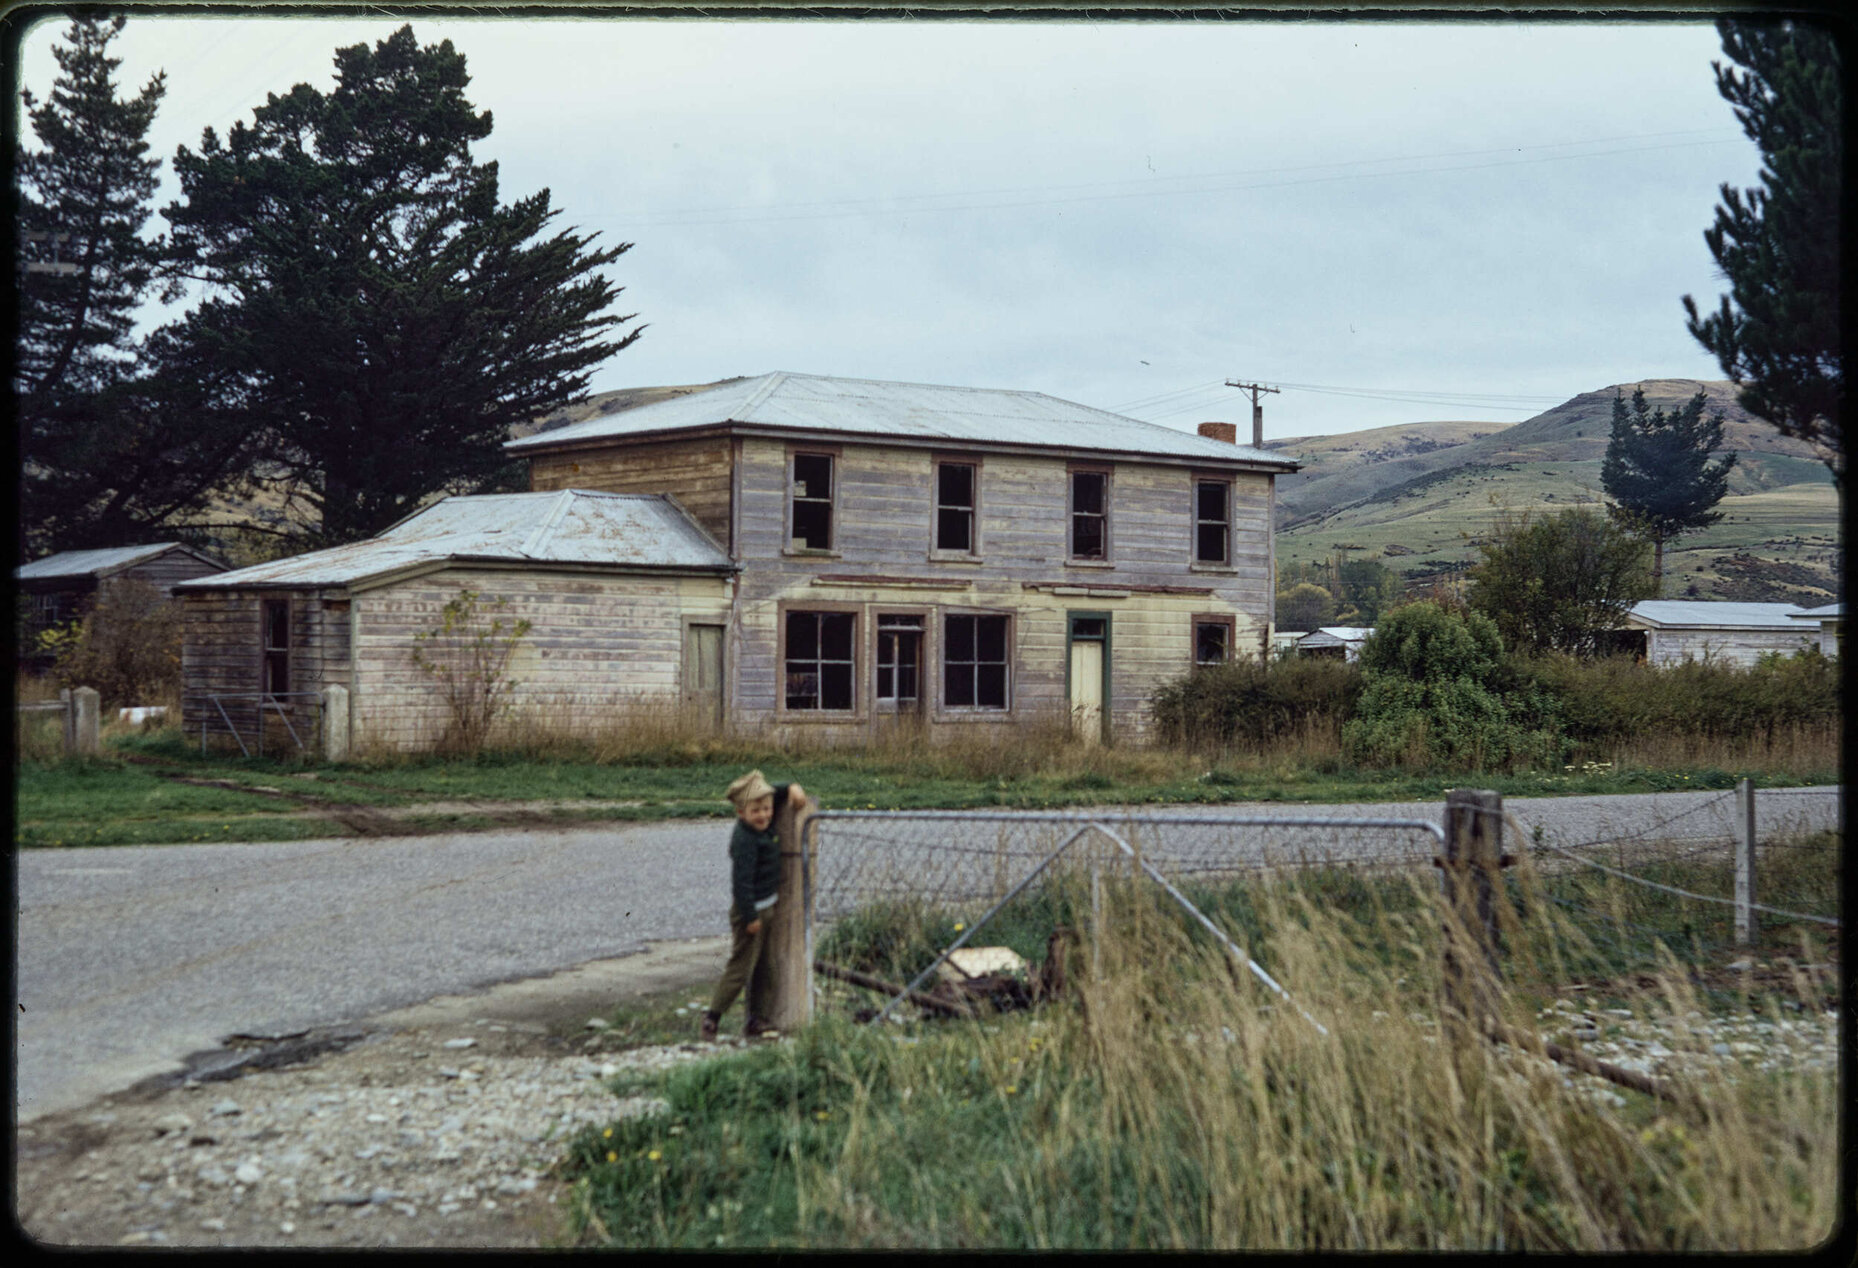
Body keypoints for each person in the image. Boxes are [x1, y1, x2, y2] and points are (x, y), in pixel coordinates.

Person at [700, 769, 810, 1041]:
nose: (763, 815)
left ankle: (756, 1019)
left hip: (766, 907)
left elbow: (777, 789)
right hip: (751, 911)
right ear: (741, 813)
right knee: (741, 967)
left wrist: (792, 787)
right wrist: (750, 917)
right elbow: (741, 884)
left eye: (767, 808)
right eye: (755, 811)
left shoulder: (763, 825)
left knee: (765, 966)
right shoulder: (745, 840)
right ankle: (713, 1017)